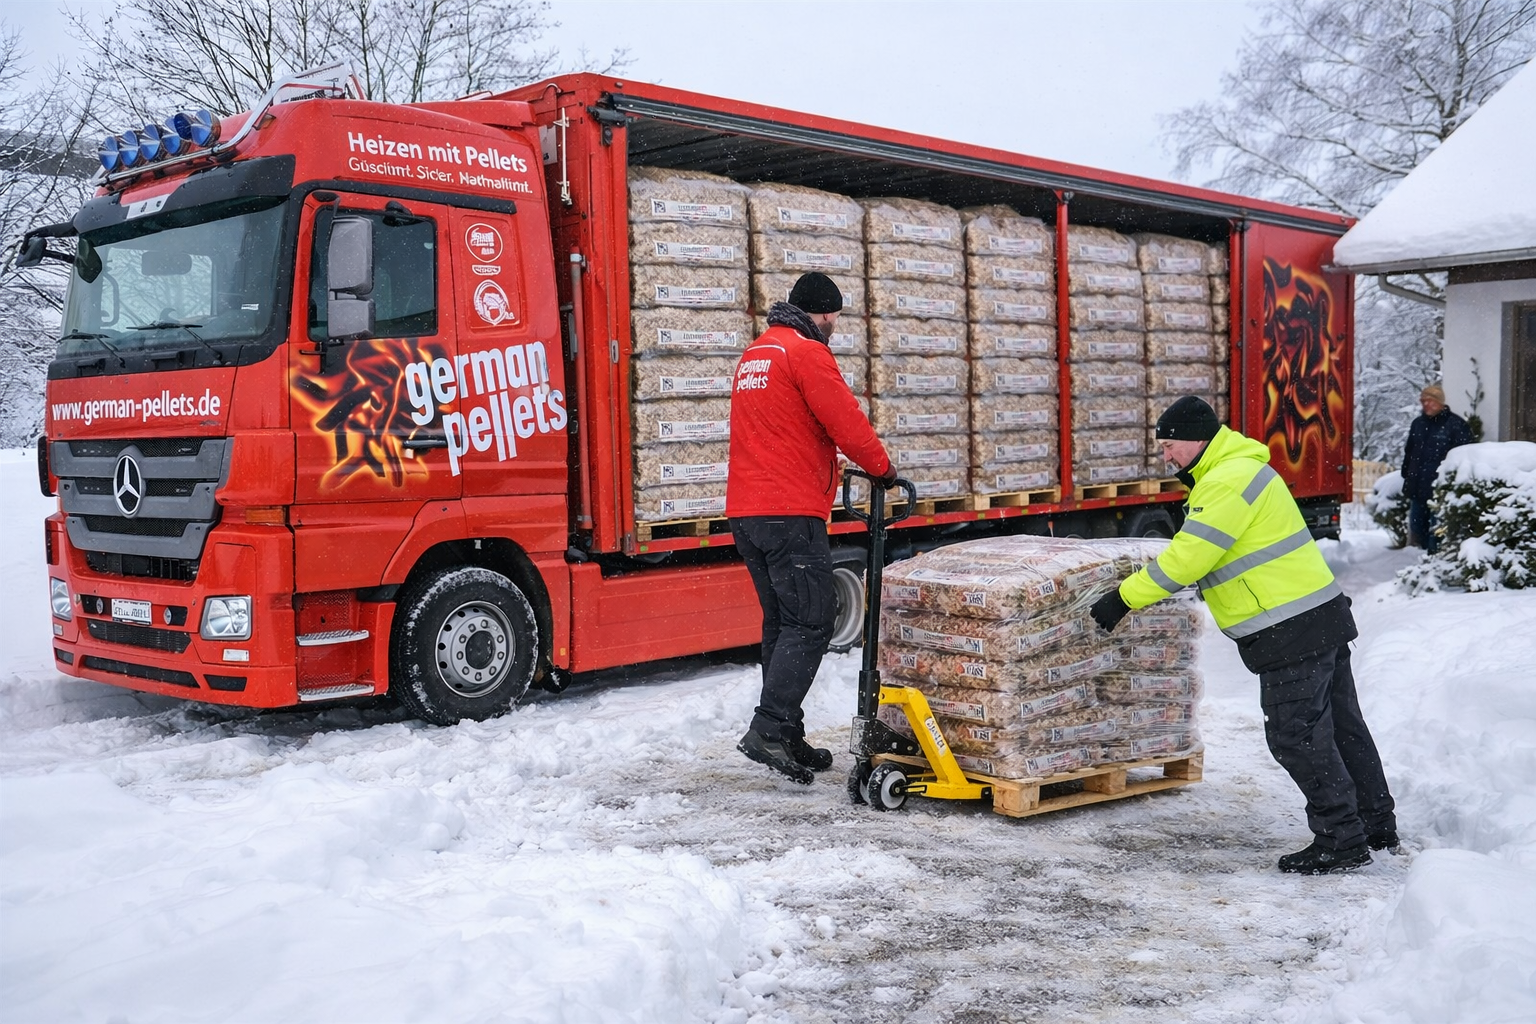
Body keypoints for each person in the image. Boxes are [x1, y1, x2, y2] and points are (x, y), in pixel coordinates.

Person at [1090, 397, 1398, 875]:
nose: (1167, 456)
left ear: (1198, 438)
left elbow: (1190, 558)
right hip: (1317, 616)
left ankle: (1342, 839)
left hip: (1288, 628)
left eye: (1171, 446)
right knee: (1339, 727)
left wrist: (1123, 598)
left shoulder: (1226, 479)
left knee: (1296, 737)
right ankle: (1375, 823)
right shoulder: (1239, 468)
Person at [728, 272, 895, 785]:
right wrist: (883, 470)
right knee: (814, 622)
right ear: (822, 314)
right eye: (834, 318)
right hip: (789, 511)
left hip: (748, 513)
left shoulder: (756, 353)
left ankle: (788, 731)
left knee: (783, 624)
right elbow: (845, 421)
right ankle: (769, 728)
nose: (834, 328)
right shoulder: (805, 352)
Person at [1401, 384, 1472, 553]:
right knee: (1418, 529)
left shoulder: (1456, 425)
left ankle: (1435, 561)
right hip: (1418, 488)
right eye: (1423, 401)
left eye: (1430, 401)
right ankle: (1422, 563)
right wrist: (1407, 474)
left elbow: (1465, 454)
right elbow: (1410, 452)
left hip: (1439, 490)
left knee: (1437, 532)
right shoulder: (1418, 424)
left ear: (1440, 403)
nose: (1426, 405)